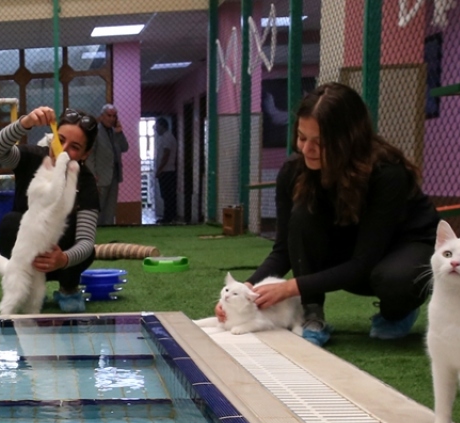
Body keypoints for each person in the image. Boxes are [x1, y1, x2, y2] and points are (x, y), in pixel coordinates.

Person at [223, 82, 439, 346]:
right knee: (302, 214)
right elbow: (284, 250)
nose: (306, 150)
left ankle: (398, 311)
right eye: (302, 138)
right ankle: (312, 313)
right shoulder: (294, 171)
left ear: (349, 141)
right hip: (350, 250)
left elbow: (364, 261)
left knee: (395, 280)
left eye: (320, 143)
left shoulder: (387, 174)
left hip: (400, 248)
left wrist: (290, 287)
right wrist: (244, 291)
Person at [0, 106, 101, 313]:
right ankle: (25, 287)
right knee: (11, 222)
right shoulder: (32, 157)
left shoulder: (86, 182)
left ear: (86, 153)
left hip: (61, 259)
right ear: (52, 137)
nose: (63, 150)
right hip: (28, 255)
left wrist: (64, 259)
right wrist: (25, 123)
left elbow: (86, 241)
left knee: (86, 248)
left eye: (74, 147)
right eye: (60, 139)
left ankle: (68, 287)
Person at [89, 103, 129, 226]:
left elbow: (125, 147)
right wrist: (93, 174)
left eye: (114, 116)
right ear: (102, 116)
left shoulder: (114, 132)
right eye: (109, 115)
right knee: (99, 207)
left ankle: (109, 227)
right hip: (100, 175)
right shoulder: (95, 131)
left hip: (114, 175)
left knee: (111, 208)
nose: (111, 119)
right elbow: (90, 155)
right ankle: (96, 229)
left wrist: (119, 132)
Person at [153, 117, 178, 224]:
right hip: (166, 170)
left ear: (161, 126)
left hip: (167, 171)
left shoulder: (167, 137)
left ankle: (168, 217)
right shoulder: (164, 137)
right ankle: (168, 216)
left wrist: (159, 169)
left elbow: (166, 155)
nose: (155, 129)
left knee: (167, 195)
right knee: (166, 195)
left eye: (156, 126)